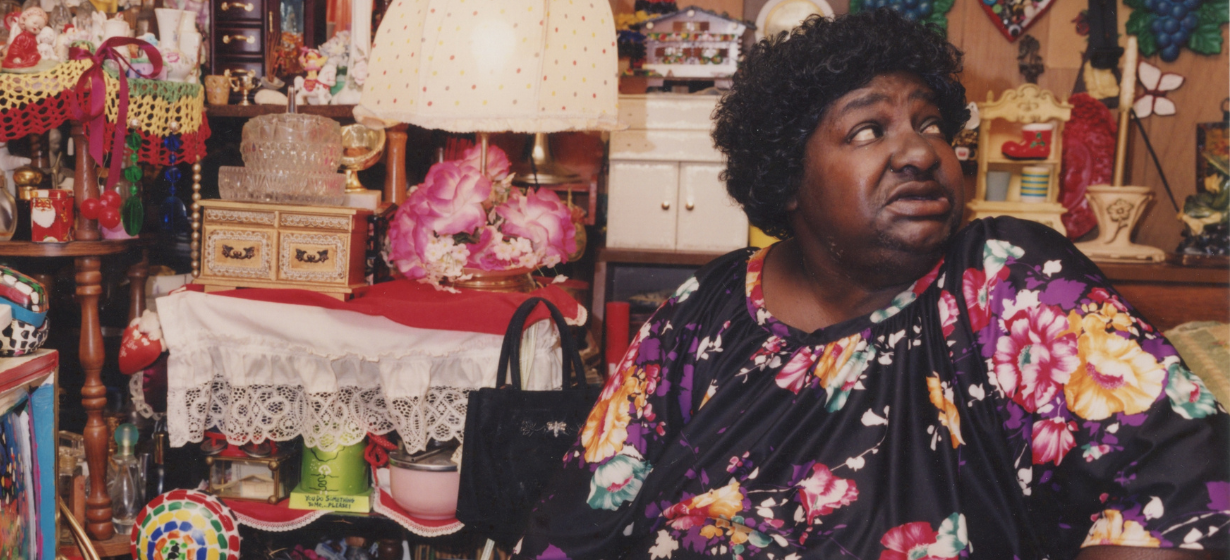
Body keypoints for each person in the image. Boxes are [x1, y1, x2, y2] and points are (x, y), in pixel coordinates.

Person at [517, 10, 1227, 560]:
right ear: (786, 176)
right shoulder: (704, 312)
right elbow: (579, 519)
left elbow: (1184, 486)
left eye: (932, 124)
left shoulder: (1006, 282)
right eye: (866, 131)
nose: (918, 150)